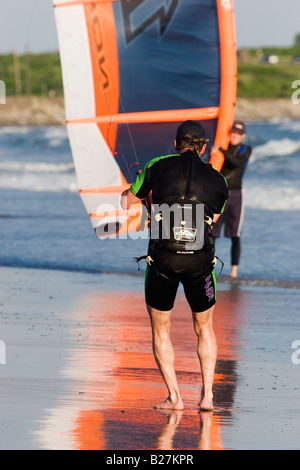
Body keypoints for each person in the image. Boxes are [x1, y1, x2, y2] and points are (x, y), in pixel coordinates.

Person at [121, 120, 228, 411]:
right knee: (205, 327)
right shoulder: (219, 179)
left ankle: (175, 398)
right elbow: (212, 221)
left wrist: (135, 194)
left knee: (161, 329)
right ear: (204, 147)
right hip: (200, 262)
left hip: (163, 261)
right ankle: (207, 397)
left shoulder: (156, 165)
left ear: (176, 143)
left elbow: (127, 202)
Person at [211, 120, 252, 278]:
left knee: (235, 234)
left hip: (236, 195)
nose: (235, 135)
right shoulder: (222, 148)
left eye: (238, 133)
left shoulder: (245, 149)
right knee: (212, 232)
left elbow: (236, 163)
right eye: (233, 132)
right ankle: (209, 265)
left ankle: (234, 270)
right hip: (219, 194)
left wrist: (220, 149)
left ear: (243, 136)